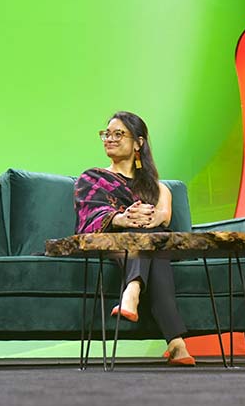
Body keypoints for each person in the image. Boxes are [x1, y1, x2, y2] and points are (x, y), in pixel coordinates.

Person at [74, 111, 197, 366]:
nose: (109, 138)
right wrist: (122, 218)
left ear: (138, 143)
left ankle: (133, 290)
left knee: (150, 236)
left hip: (148, 243)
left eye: (118, 134)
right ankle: (176, 342)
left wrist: (148, 218)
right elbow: (90, 215)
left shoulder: (157, 187)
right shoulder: (91, 178)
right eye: (106, 134)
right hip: (111, 243)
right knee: (149, 242)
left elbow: (163, 215)